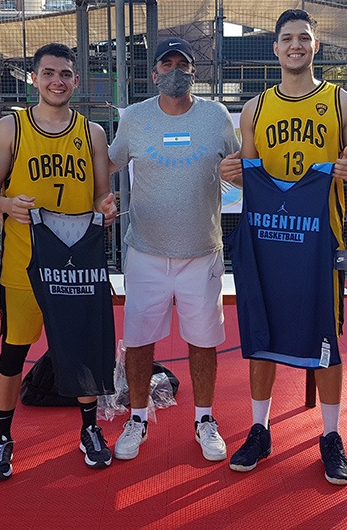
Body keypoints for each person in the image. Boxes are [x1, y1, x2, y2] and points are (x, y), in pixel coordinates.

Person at [219, 9, 347, 485]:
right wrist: (230, 171)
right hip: (268, 239)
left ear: (316, 46)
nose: (296, 45)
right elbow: (243, 170)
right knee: (261, 333)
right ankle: (260, 428)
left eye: (304, 38)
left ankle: (330, 435)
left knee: (326, 336)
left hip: (323, 240)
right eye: (287, 39)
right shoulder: (255, 109)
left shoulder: (341, 102)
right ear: (275, 48)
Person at [0, 43, 118, 479]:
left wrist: (107, 206)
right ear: (34, 79)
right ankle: (2, 437)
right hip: (24, 264)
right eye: (48, 73)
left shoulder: (92, 132)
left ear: (76, 81)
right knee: (12, 353)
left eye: (65, 74)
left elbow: (99, 195)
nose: (57, 80)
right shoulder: (10, 127)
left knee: (80, 350)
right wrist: (6, 205)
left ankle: (90, 430)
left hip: (74, 265)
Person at [108, 37, 239, 463]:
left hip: (202, 253)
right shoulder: (134, 119)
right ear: (154, 72)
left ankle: (204, 418)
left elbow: (239, 172)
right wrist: (97, 198)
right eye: (168, 63)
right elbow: (107, 164)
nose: (176, 70)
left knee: (203, 342)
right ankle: (139, 417)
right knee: (140, 340)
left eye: (184, 64)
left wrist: (235, 176)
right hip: (145, 252)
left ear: (194, 73)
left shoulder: (217, 115)